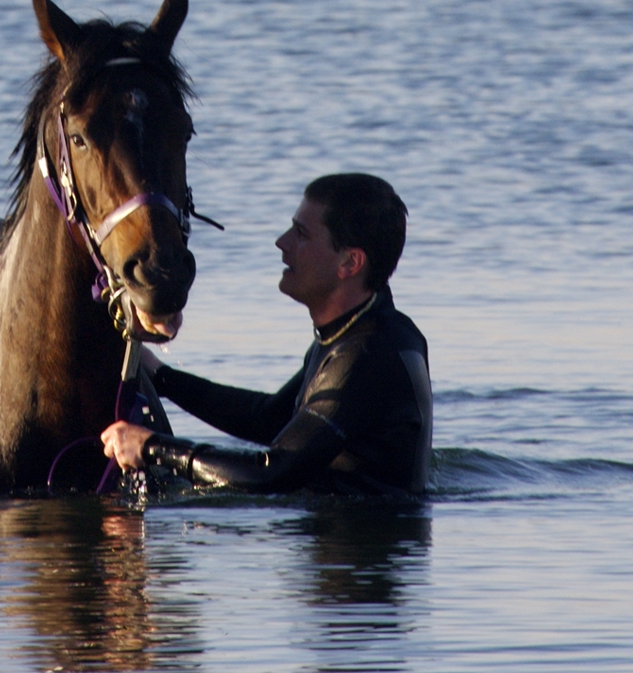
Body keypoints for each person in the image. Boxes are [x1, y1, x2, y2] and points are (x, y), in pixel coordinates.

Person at [103, 172, 432, 495]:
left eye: (301, 234)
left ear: (349, 262)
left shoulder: (365, 355)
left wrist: (152, 448)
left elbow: (272, 473)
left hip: (360, 537)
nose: (282, 242)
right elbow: (270, 419)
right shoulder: (367, 330)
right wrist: (159, 376)